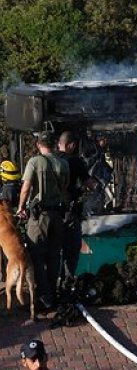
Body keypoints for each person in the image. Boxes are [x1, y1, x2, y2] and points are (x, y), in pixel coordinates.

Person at [17, 131, 69, 312]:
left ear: (39, 144)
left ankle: (42, 296)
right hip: (58, 216)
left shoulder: (34, 162)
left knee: (36, 256)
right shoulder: (63, 163)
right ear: (54, 144)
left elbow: (26, 188)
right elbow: (65, 190)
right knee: (54, 256)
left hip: (40, 217)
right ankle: (53, 293)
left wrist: (21, 207)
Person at [56, 131, 96, 281]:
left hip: (51, 213)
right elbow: (90, 184)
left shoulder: (49, 160)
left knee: (54, 250)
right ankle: (67, 282)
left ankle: (53, 284)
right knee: (71, 249)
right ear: (71, 145)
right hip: (69, 212)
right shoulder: (75, 161)